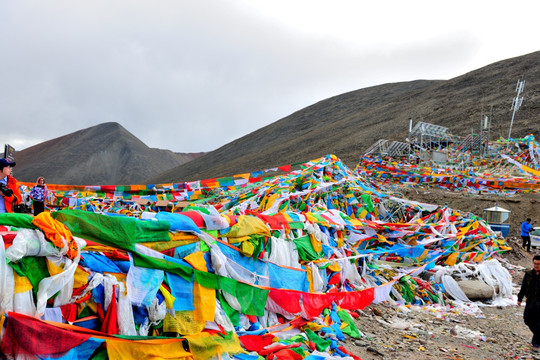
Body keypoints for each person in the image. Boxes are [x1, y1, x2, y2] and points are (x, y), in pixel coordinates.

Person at [518, 255, 540, 350]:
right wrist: (519, 298)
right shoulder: (529, 274)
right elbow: (523, 287)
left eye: (538, 264)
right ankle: (538, 335)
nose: (536, 266)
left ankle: (536, 343)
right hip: (530, 301)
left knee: (539, 322)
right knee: (527, 319)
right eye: (535, 264)